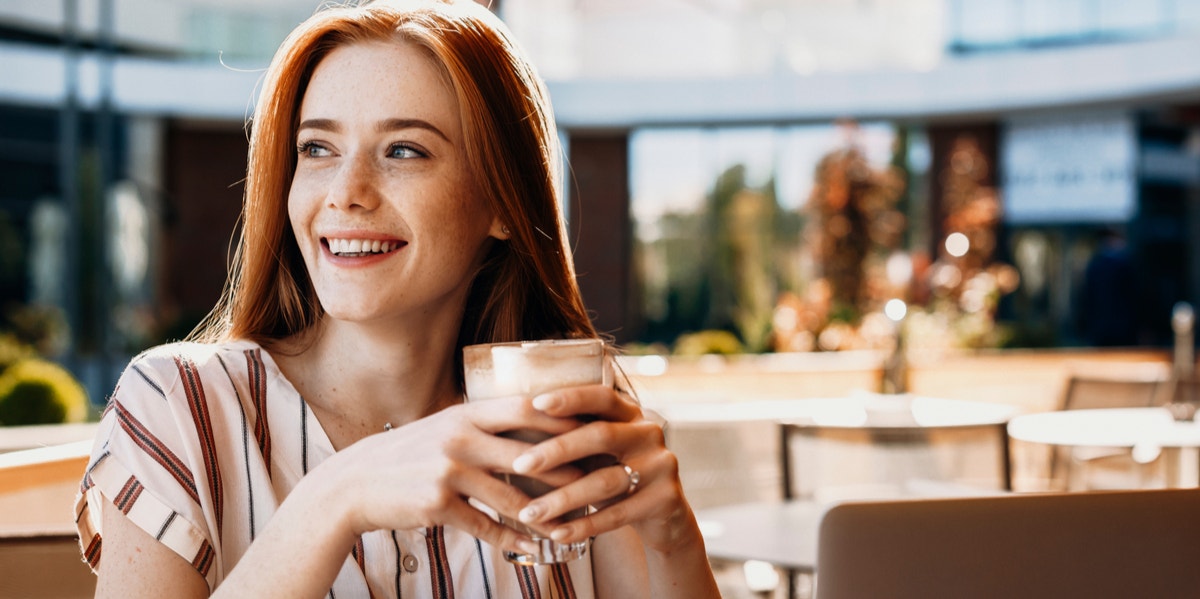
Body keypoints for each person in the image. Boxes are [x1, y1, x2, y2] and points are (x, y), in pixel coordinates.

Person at [74, 1, 721, 597]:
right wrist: (336, 497)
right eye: (317, 148)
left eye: (403, 150)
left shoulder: (563, 422)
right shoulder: (178, 406)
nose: (345, 192)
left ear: (500, 202)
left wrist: (674, 540)